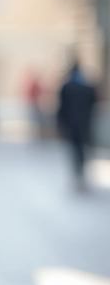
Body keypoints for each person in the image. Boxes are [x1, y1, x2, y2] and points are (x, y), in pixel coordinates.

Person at [57, 58, 98, 189]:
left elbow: (62, 107)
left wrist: (61, 123)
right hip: (84, 123)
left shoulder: (67, 87)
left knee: (76, 149)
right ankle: (81, 173)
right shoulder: (87, 88)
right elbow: (93, 104)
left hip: (72, 124)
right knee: (82, 149)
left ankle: (79, 173)